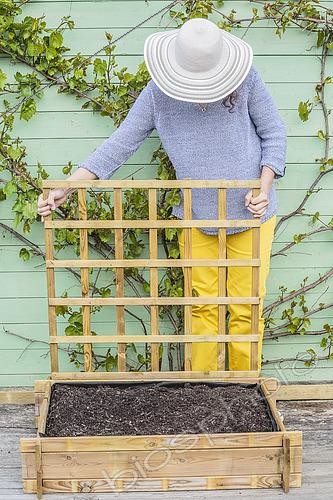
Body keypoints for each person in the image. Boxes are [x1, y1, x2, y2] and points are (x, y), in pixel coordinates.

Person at [37, 18, 287, 373]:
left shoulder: (247, 79)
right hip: (196, 216)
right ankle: (206, 389)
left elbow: (274, 134)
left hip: (250, 215)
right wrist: (65, 188)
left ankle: (245, 391)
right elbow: (119, 145)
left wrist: (263, 188)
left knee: (246, 308)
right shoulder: (158, 94)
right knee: (203, 307)